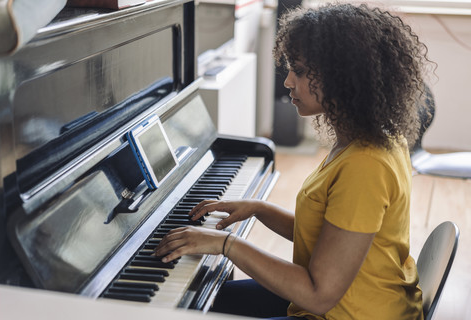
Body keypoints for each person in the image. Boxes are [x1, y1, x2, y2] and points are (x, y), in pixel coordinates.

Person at [155, 3, 432, 319]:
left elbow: (318, 296)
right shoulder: (366, 137)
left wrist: (225, 244)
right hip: (346, 301)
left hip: (348, 313)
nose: (287, 81)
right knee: (197, 301)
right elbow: (332, 237)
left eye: (298, 71)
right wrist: (260, 209)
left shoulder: (366, 165)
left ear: (343, 76)